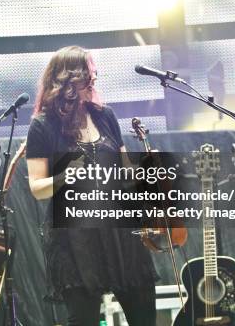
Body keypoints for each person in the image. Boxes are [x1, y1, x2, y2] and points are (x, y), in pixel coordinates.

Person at [26, 46, 157, 326]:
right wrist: (65, 177)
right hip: (76, 240)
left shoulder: (104, 116)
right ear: (67, 80)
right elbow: (37, 188)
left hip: (122, 232)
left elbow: (126, 173)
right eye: (87, 73)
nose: (94, 78)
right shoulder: (43, 125)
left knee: (144, 315)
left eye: (94, 72)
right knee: (83, 319)